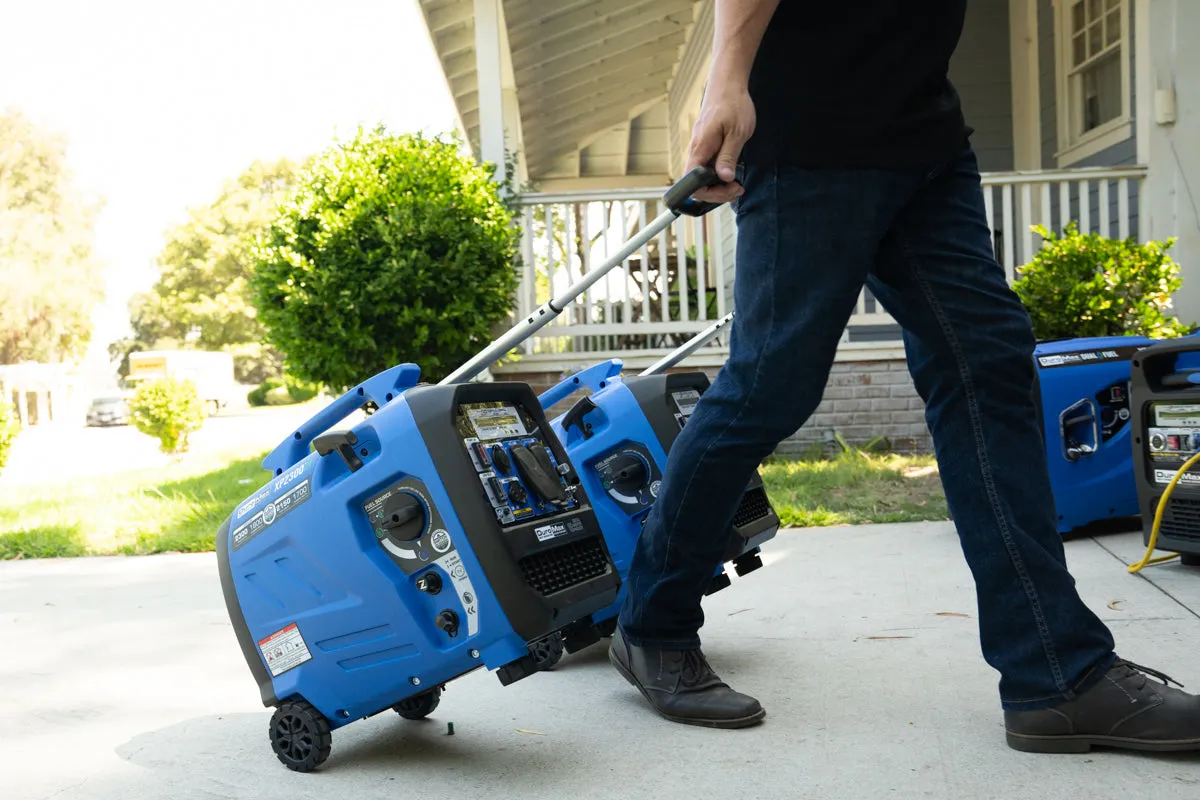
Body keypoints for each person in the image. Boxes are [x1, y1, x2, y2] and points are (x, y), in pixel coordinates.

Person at [608, 0, 1200, 753]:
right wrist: (727, 76)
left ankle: (1057, 674)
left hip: (925, 134)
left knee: (989, 364)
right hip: (816, 133)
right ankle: (652, 625)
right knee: (770, 386)